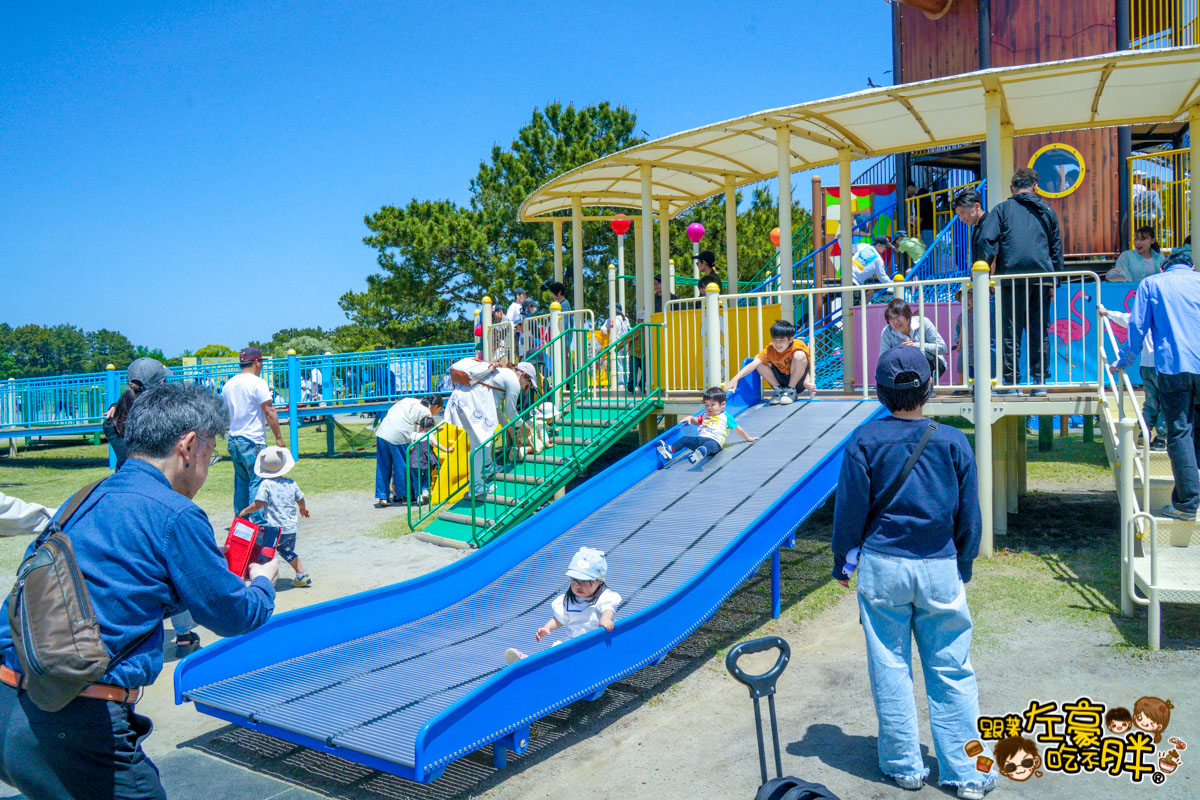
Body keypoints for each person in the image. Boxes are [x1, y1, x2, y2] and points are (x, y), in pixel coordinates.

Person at [0, 382, 277, 799]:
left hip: (10, 704)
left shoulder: (85, 496)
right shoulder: (175, 513)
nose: (208, 465)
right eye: (212, 452)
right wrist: (262, 582)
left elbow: (117, 589)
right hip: (77, 717)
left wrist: (199, 570)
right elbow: (234, 615)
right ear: (189, 446)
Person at [831, 346, 988, 799]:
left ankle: (904, 765)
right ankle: (965, 772)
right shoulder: (953, 440)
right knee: (952, 668)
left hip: (883, 566)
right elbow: (969, 515)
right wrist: (964, 560)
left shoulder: (864, 441)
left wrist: (843, 558)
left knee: (890, 664)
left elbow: (850, 511)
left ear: (880, 392)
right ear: (929, 387)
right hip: (939, 564)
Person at [959, 169, 1064, 396]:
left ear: (1011, 188)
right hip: (1041, 279)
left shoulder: (1002, 210)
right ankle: (1039, 384)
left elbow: (987, 240)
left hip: (1010, 280)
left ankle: (1011, 383)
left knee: (1010, 333)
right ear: (1035, 187)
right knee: (1039, 332)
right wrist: (1054, 282)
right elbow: (1056, 249)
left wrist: (981, 275)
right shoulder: (1047, 211)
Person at [1114, 249, 1200, 520]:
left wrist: (1124, 360)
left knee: (1179, 431)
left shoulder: (1151, 284)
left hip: (1173, 367)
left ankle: (1187, 504)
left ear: (1163, 268)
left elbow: (1137, 327)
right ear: (1193, 266)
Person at [504, 547, 621, 663]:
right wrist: (547, 628)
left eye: (584, 581)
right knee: (557, 648)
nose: (578, 586)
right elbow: (559, 618)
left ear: (600, 581)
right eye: (574, 580)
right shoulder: (568, 600)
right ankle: (529, 663)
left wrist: (606, 620)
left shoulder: (604, 597)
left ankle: (538, 665)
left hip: (595, 641)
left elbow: (608, 610)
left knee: (565, 656)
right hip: (572, 641)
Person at [221, 346, 285, 522]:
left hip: (234, 439)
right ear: (257, 362)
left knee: (241, 484)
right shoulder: (258, 383)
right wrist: (278, 437)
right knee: (257, 483)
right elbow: (269, 411)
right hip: (252, 439)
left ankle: (241, 524)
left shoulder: (228, 385)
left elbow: (225, 413)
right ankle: (258, 526)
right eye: (261, 362)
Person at [238, 446, 312, 588]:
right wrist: (303, 509)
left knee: (265, 552)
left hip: (274, 529)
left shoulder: (266, 484)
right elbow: (300, 498)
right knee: (287, 551)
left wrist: (246, 511)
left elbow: (259, 504)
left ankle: (262, 579)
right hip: (290, 528)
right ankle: (301, 574)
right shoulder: (291, 483)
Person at [656, 386, 758, 465]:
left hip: (714, 442)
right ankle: (670, 450)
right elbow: (697, 421)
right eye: (706, 405)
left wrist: (748, 438)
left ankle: (700, 453)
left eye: (713, 405)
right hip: (699, 439)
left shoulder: (726, 417)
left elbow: (737, 428)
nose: (709, 408)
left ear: (722, 404)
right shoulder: (705, 415)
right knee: (685, 439)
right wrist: (691, 418)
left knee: (710, 445)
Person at [103, 356, 174, 468]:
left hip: (125, 477)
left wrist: (115, 406)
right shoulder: (160, 418)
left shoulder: (113, 420)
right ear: (161, 384)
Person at [373, 395, 443, 507]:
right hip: (399, 435)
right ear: (435, 406)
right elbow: (424, 433)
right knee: (402, 466)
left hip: (383, 431)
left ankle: (383, 497)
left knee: (383, 466)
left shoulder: (408, 400)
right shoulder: (426, 412)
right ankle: (406, 497)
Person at [444, 358, 500, 500]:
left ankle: (479, 478)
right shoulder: (482, 369)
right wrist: (492, 366)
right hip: (470, 405)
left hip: (460, 404)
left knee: (478, 445)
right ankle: (476, 484)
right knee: (479, 445)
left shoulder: (467, 370)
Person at [725, 319, 816, 404]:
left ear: (791, 339)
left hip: (797, 382)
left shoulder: (798, 345)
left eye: (781, 340)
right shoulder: (770, 349)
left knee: (799, 355)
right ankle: (779, 391)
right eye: (774, 340)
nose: (777, 344)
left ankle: (790, 391)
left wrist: (806, 381)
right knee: (758, 359)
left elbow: (809, 366)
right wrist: (734, 379)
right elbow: (752, 365)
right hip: (781, 380)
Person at [880, 298, 948, 379]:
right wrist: (898, 350)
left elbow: (942, 348)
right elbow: (883, 359)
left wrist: (916, 345)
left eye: (898, 316)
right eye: (891, 318)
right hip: (905, 368)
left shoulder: (924, 322)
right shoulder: (887, 332)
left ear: (907, 314)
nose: (895, 321)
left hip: (932, 363)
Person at [908, 180, 937, 245]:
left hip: (927, 228)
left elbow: (921, 215)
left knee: (926, 252)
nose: (907, 194)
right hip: (927, 227)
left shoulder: (921, 196)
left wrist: (914, 228)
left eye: (906, 191)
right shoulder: (923, 194)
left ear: (909, 187)